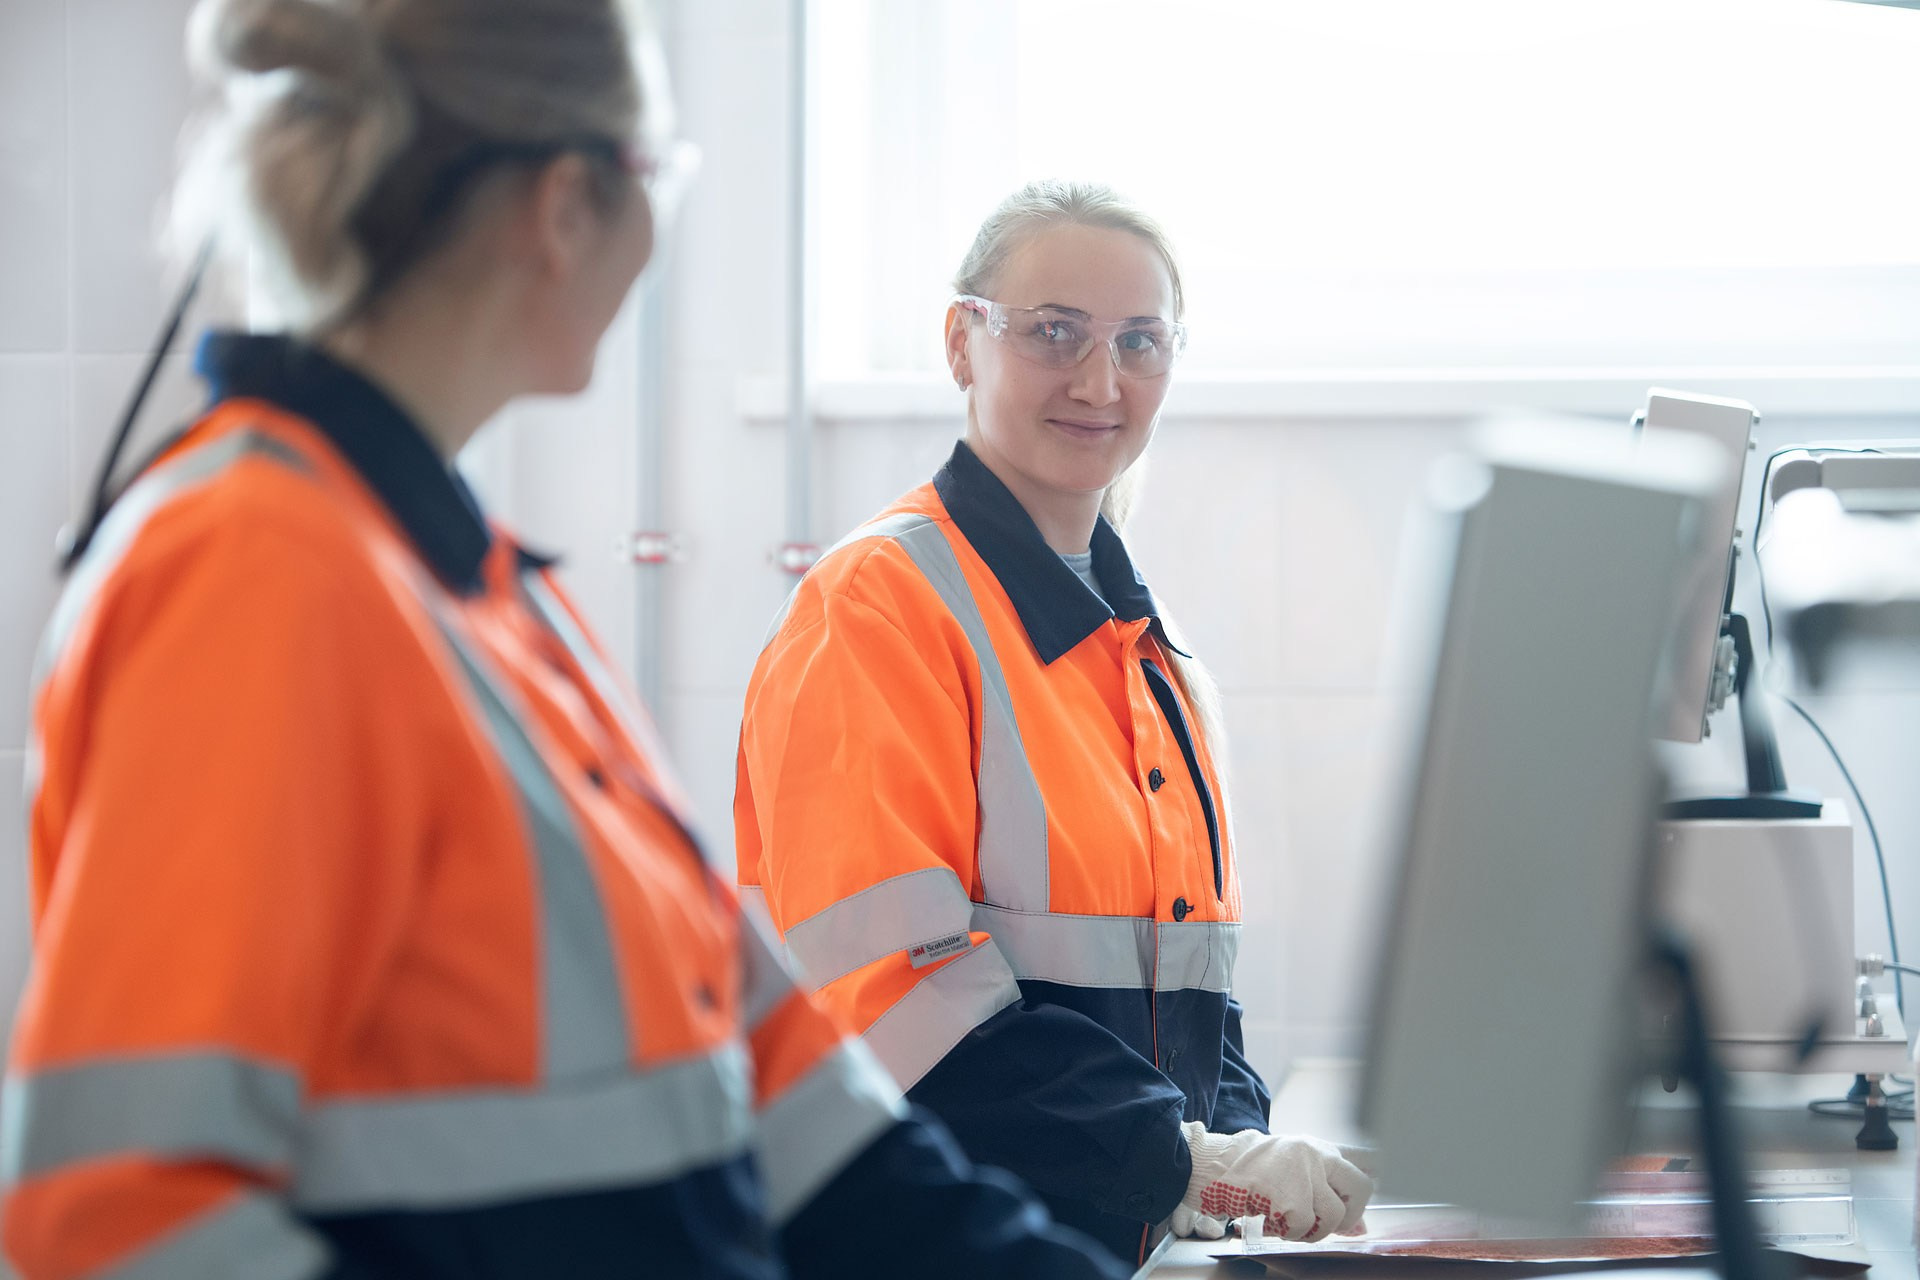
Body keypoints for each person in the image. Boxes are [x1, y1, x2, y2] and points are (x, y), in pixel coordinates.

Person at [0, 5, 1130, 1277]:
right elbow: (121, 1222)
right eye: (658, 178)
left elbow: (806, 1126)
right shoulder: (252, 574)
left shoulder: (487, 597)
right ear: (562, 208)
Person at [735, 180, 1375, 1267]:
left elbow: (1195, 1006)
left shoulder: (1152, 656)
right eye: (1053, 333)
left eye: (1140, 341)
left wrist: (1246, 1157)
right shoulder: (877, 610)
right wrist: (1187, 1165)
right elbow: (899, 1011)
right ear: (960, 342)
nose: (1099, 380)